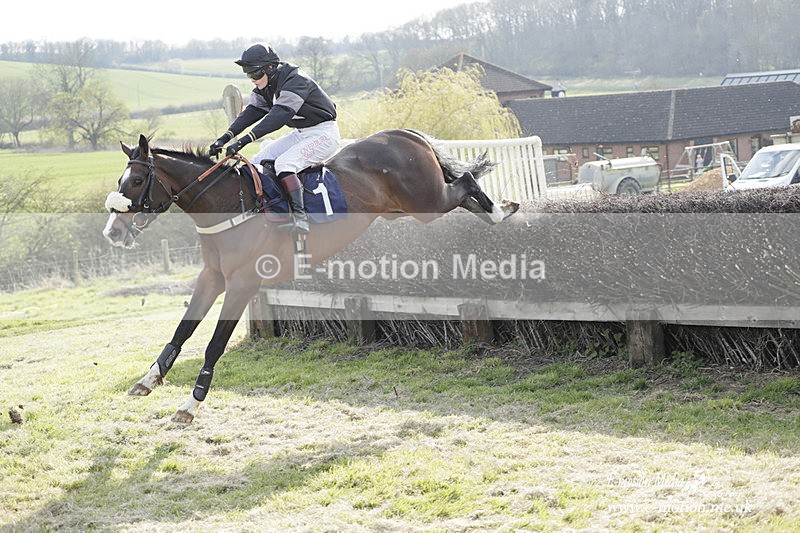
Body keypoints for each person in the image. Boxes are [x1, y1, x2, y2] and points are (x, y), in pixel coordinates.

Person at [210, 43, 340, 234]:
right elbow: (252, 112)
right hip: (301, 133)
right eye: (248, 75)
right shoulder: (267, 84)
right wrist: (224, 138)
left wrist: (243, 141)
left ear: (270, 68)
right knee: (256, 161)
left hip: (324, 134)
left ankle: (300, 218)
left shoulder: (296, 80)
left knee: (285, 164)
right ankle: (269, 210)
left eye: (255, 74)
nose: (252, 80)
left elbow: (279, 116)